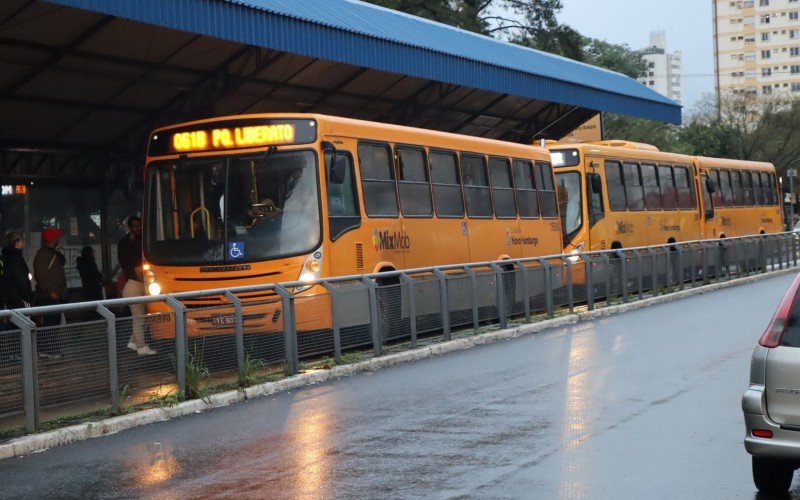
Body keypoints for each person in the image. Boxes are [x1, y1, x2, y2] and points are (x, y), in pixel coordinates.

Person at [118, 216, 156, 355]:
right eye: (135, 226)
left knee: (146, 316)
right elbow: (127, 262)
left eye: (140, 225)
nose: (138, 228)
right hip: (135, 283)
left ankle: (133, 342)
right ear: (129, 227)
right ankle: (141, 346)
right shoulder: (127, 243)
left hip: (138, 282)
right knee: (139, 317)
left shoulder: (140, 241)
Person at [33, 227, 67, 359]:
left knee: (52, 322)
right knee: (50, 323)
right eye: (57, 237)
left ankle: (49, 348)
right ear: (52, 239)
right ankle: (49, 349)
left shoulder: (50, 253)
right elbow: (41, 276)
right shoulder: (43, 255)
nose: (59, 239)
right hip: (48, 295)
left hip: (52, 294)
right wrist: (50, 291)